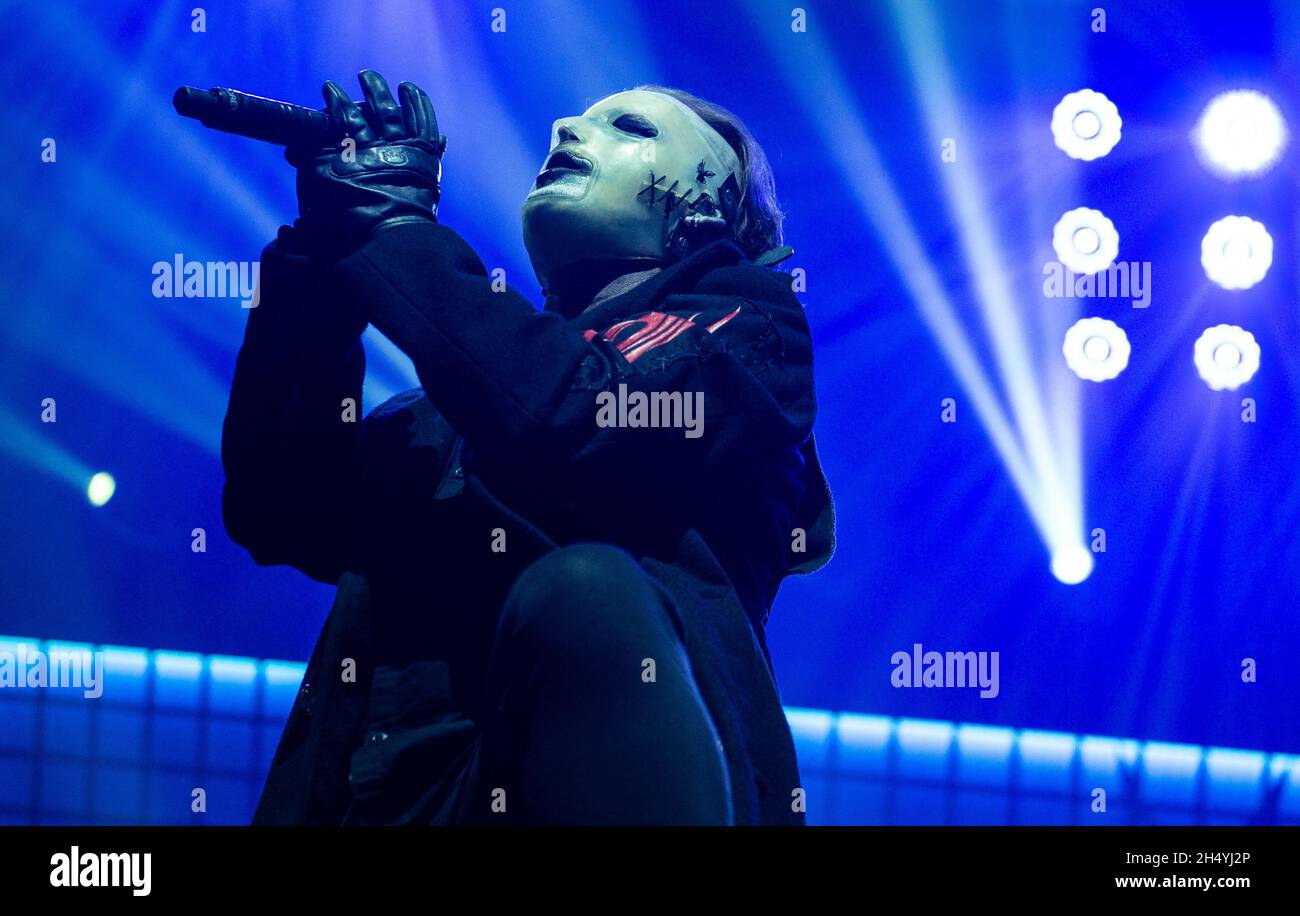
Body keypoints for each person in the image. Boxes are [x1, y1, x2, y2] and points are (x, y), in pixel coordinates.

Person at [222, 70, 834, 825]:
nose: (566, 129)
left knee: (585, 588)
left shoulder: (745, 333)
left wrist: (396, 234)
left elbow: (568, 413)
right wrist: (319, 260)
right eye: (573, 117)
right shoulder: (440, 412)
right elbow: (278, 509)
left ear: (708, 203)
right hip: (396, 803)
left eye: (631, 129)